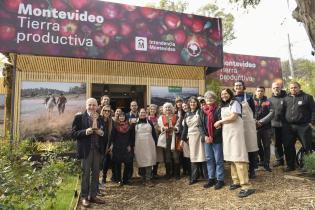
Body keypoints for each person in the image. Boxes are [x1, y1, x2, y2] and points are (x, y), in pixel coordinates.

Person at [214, 89, 255, 198]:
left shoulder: (235, 102)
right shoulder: (223, 106)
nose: (224, 95)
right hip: (227, 133)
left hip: (236, 133)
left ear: (230, 94)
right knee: (231, 158)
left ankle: (246, 186)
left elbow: (233, 117)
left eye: (226, 93)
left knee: (238, 158)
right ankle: (236, 181)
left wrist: (220, 122)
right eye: (222, 94)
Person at [71, 98, 106, 207]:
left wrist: (102, 133)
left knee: (96, 174)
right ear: (86, 106)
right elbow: (73, 134)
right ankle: (85, 197)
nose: (92, 107)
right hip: (86, 151)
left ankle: (93, 196)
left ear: (97, 106)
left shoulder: (100, 118)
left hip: (97, 150)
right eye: (90, 105)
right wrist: (84, 132)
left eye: (94, 105)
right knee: (85, 174)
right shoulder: (79, 118)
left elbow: (104, 134)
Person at [282, 81, 315, 171]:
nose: (293, 89)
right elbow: (282, 112)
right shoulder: (286, 99)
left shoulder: (307, 97)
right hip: (289, 127)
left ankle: (306, 166)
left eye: (295, 87)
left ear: (299, 88)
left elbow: (313, 110)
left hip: (303, 126)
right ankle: (290, 165)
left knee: (306, 146)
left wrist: (311, 122)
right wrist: (284, 124)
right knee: (288, 146)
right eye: (291, 88)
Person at [234, 81, 259, 179]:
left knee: (251, 148)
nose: (238, 87)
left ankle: (252, 170)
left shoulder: (248, 97)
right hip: (236, 126)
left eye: (240, 85)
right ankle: (240, 170)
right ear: (234, 87)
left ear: (243, 87)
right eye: (236, 85)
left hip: (248, 126)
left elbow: (253, 111)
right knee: (239, 148)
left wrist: (253, 121)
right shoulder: (232, 98)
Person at [181, 96, 208, 185]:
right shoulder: (187, 114)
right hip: (191, 138)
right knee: (193, 157)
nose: (192, 104)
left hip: (200, 136)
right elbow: (185, 128)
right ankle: (194, 177)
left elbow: (203, 124)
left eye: (194, 102)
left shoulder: (200, 112)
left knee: (203, 156)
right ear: (189, 104)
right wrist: (182, 139)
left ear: (197, 104)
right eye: (191, 102)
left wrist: (204, 136)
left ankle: (207, 176)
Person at [202, 91, 224, 190]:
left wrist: (213, 137)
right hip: (207, 139)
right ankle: (211, 178)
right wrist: (206, 136)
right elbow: (200, 125)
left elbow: (220, 125)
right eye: (207, 98)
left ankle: (220, 180)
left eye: (211, 98)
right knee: (209, 159)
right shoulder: (202, 110)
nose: (209, 99)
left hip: (217, 139)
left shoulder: (218, 109)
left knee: (218, 159)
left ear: (215, 99)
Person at [134, 108, 158, 187]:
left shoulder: (150, 122)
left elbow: (154, 133)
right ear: (139, 113)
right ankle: (143, 178)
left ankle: (148, 179)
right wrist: (131, 144)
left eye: (144, 113)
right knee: (141, 160)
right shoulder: (135, 123)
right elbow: (132, 135)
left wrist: (156, 142)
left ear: (146, 114)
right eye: (141, 113)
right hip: (139, 144)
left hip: (149, 144)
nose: (143, 114)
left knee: (149, 160)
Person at [110, 112, 135, 186]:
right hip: (117, 147)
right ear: (118, 117)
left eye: (123, 116)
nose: (121, 117)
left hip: (127, 147)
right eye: (120, 116)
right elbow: (112, 136)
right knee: (117, 164)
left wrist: (130, 145)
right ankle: (119, 180)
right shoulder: (115, 125)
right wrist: (111, 144)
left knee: (128, 163)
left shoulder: (130, 126)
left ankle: (125, 179)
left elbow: (132, 136)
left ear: (125, 117)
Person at [158, 102, 180, 179]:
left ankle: (176, 174)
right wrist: (163, 128)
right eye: (166, 108)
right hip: (166, 138)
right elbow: (159, 127)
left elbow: (178, 126)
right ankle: (168, 173)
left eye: (169, 107)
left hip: (174, 138)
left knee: (175, 156)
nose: (168, 109)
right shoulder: (161, 117)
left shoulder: (176, 116)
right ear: (164, 109)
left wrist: (175, 128)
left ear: (172, 108)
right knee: (167, 156)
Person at [254, 86, 273, 172]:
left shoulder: (268, 101)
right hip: (254, 127)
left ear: (264, 92)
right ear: (256, 92)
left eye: (262, 91)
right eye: (258, 91)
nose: (260, 92)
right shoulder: (251, 101)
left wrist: (261, 122)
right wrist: (254, 121)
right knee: (256, 145)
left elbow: (272, 113)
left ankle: (266, 164)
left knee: (266, 146)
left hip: (266, 128)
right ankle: (260, 160)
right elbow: (248, 112)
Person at [269, 82, 286, 167]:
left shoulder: (286, 98)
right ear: (272, 89)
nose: (276, 89)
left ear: (281, 88)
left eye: (278, 87)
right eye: (274, 88)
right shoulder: (269, 100)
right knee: (276, 143)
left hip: (286, 125)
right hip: (274, 125)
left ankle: (291, 160)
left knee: (287, 143)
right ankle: (279, 160)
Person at [100, 105, 115, 184]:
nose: (107, 112)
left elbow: (114, 134)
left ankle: (104, 177)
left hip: (109, 144)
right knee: (99, 163)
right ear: (102, 111)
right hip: (99, 144)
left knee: (107, 161)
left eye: (108, 111)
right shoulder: (99, 120)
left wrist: (112, 145)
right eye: (105, 110)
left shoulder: (112, 121)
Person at [148, 104, 163, 178]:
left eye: (154, 109)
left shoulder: (158, 118)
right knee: (149, 156)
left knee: (156, 156)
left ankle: (154, 172)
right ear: (149, 110)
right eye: (151, 109)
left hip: (157, 139)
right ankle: (149, 172)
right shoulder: (146, 118)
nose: (152, 110)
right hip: (148, 140)